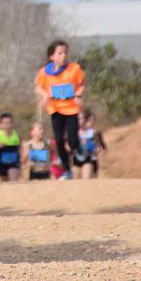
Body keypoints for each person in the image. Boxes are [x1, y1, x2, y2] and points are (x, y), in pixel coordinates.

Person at [34, 40, 86, 179]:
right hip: (55, 110)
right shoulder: (44, 72)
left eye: (65, 53)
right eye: (60, 53)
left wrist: (78, 94)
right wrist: (45, 95)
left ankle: (77, 147)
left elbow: (82, 84)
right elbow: (38, 86)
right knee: (58, 141)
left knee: (72, 141)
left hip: (71, 110)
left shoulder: (74, 69)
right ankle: (67, 170)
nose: (63, 56)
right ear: (52, 56)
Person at [72, 110, 107, 179]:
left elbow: (102, 148)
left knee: (87, 182)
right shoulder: (73, 134)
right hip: (76, 160)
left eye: (81, 118)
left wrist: (97, 150)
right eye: (78, 119)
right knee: (76, 183)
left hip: (89, 160)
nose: (79, 121)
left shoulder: (93, 133)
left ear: (85, 120)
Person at [0, 113, 21, 182]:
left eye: (10, 123)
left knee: (13, 182)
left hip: (14, 162)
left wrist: (22, 157)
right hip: (1, 163)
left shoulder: (16, 134)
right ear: (1, 125)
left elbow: (21, 147)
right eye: (6, 123)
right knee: (5, 184)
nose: (8, 125)